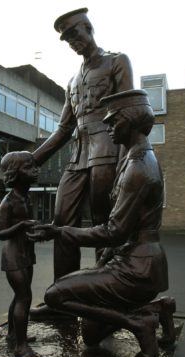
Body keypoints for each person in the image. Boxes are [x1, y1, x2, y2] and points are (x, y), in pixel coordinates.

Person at [29, 90, 175, 357]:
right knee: (92, 334)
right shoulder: (136, 159)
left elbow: (114, 231)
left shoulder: (138, 168)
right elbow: (122, 230)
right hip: (140, 261)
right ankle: (158, 309)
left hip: (136, 269)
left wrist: (59, 231)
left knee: (54, 296)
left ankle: (139, 324)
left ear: (129, 121)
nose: (106, 127)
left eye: (112, 121)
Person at [30, 8, 134, 282]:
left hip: (109, 152)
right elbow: (65, 128)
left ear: (88, 28)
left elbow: (126, 113)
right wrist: (33, 160)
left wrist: (126, 160)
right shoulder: (72, 81)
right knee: (62, 220)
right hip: (78, 158)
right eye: (67, 39)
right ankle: (63, 293)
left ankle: (105, 290)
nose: (72, 42)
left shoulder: (117, 62)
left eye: (74, 34)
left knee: (105, 223)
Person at [0, 151, 43, 357]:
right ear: (15, 174)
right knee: (24, 297)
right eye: (28, 167)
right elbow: (1, 233)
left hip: (26, 252)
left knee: (19, 296)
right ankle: (21, 347)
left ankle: (13, 334)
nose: (35, 170)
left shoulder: (25, 196)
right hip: (13, 255)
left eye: (34, 165)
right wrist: (22, 226)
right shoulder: (8, 202)